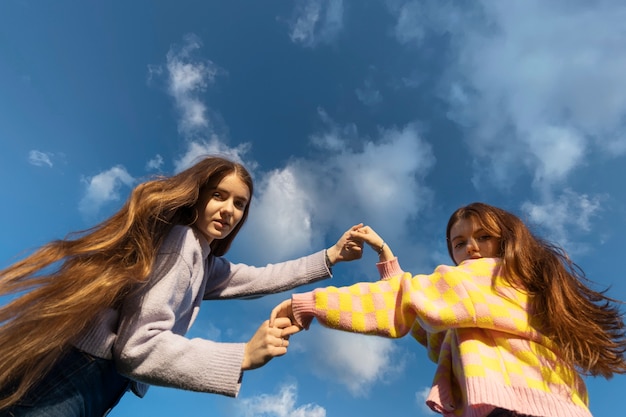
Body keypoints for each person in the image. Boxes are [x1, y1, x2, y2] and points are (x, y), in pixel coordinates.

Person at [0, 156, 364, 417]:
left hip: (94, 376)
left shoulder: (203, 262)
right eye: (219, 195)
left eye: (240, 204)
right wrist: (242, 356)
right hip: (81, 373)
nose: (229, 210)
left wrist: (330, 256)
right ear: (197, 195)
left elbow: (262, 277)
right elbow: (136, 348)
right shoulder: (182, 243)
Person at [270, 202, 626, 417]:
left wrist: (308, 304)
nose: (471, 248)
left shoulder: (478, 277)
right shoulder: (518, 285)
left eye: (483, 237)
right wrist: (387, 259)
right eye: (459, 243)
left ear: (504, 240)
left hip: (513, 410)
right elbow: (426, 321)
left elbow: (401, 302)